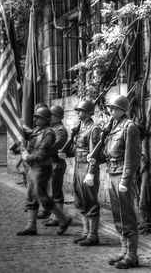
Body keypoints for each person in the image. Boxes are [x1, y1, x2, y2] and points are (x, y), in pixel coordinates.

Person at [88, 95, 141, 269]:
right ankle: (124, 250)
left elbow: (131, 157)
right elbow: (110, 153)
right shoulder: (113, 126)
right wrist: (97, 159)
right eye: (110, 108)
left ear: (123, 109)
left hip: (121, 177)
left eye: (114, 108)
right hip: (112, 174)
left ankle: (132, 255)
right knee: (117, 215)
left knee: (127, 215)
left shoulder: (130, 127)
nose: (111, 111)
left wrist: (126, 179)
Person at [16, 106, 72, 236]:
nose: (35, 119)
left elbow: (41, 153)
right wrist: (19, 124)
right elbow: (28, 134)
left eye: (38, 117)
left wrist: (26, 157)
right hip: (33, 167)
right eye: (35, 117)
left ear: (46, 119)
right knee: (31, 197)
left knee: (43, 196)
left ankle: (63, 219)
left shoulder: (49, 133)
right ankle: (31, 226)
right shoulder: (37, 130)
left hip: (42, 168)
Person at [59, 99, 101, 246]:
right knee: (80, 201)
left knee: (90, 202)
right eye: (77, 110)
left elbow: (93, 154)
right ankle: (85, 233)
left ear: (89, 113)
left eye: (81, 110)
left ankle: (93, 235)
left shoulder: (94, 129)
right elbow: (77, 148)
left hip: (87, 169)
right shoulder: (79, 127)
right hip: (78, 166)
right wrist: (67, 152)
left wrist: (91, 173)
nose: (78, 112)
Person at [44, 105, 68, 227]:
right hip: (51, 163)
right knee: (52, 191)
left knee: (56, 191)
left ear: (57, 117)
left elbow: (55, 146)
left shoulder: (60, 130)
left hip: (57, 164)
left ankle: (58, 217)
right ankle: (55, 215)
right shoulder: (52, 129)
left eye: (51, 115)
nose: (49, 118)